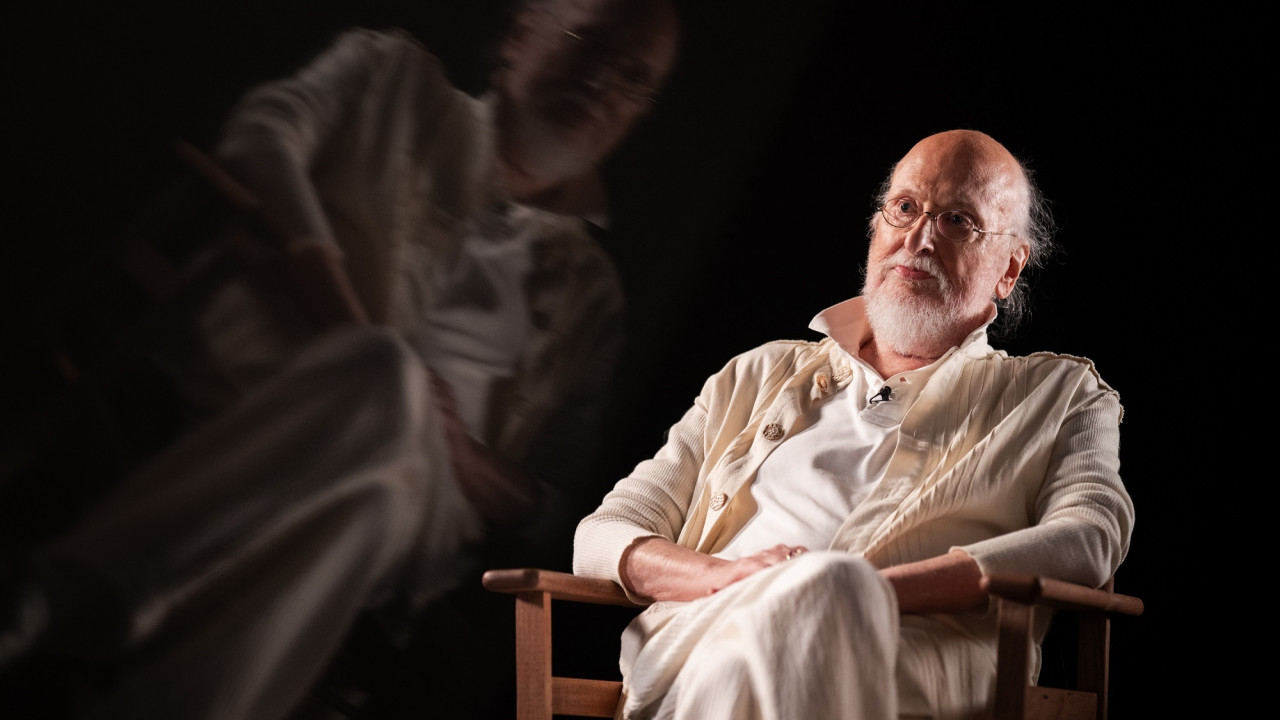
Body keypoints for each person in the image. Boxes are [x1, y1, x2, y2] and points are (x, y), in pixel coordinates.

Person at [0, 1, 682, 719]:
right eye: (588, 44)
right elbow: (262, 135)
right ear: (521, 34)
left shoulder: (594, 295)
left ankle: (51, 599)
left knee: (387, 438)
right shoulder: (389, 77)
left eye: (634, 78)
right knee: (373, 459)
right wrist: (351, 325)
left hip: (433, 505)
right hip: (264, 385)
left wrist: (461, 454)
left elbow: (565, 503)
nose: (603, 84)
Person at [572, 129, 1134, 720]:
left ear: (1009, 268)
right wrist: (728, 577)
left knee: (795, 623)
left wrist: (858, 591)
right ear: (876, 227)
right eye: (906, 208)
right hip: (706, 632)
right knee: (753, 649)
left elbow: (1089, 535)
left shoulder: (1058, 395)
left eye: (957, 221)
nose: (918, 238)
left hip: (910, 658)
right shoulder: (756, 375)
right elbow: (602, 535)